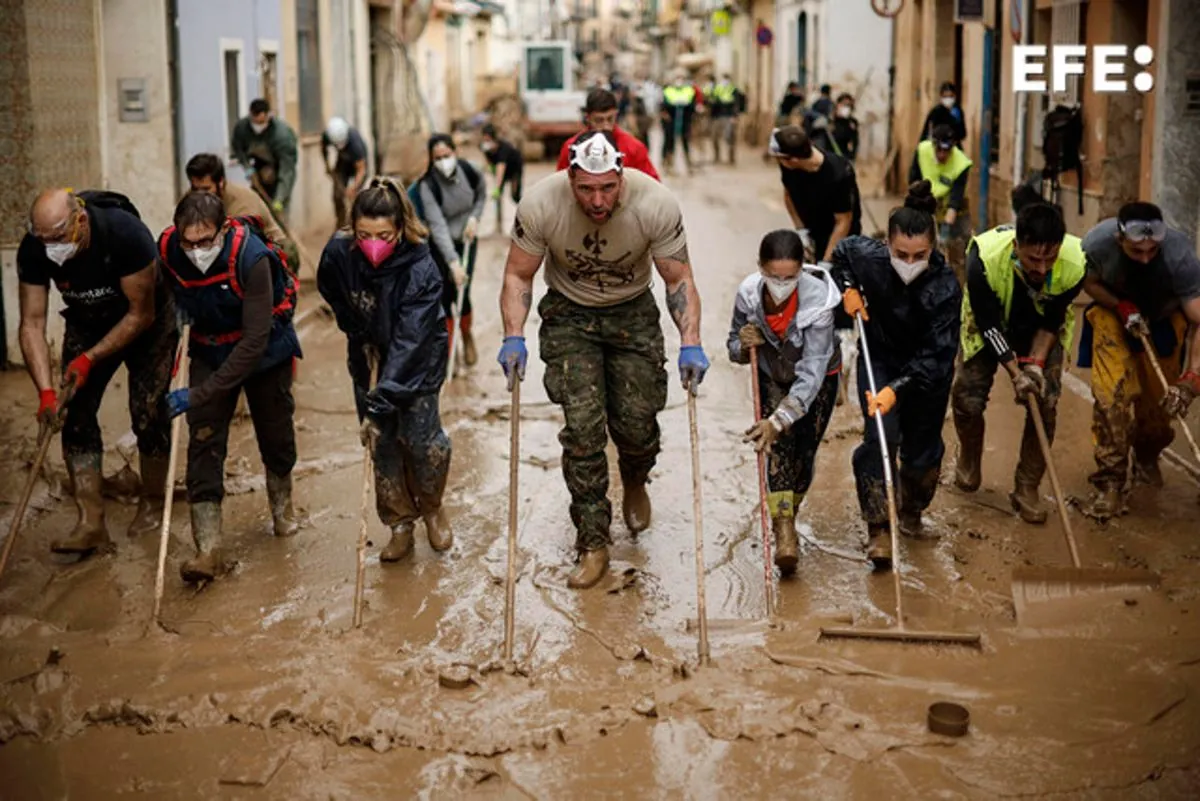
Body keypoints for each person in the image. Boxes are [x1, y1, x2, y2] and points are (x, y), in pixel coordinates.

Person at [497, 131, 710, 589]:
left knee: (636, 422)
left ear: (621, 177)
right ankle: (592, 542)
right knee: (583, 430)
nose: (597, 200)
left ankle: (635, 476)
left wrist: (690, 339)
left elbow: (678, 279)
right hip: (570, 315)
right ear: (570, 177)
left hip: (632, 311)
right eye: (586, 189)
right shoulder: (540, 204)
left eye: (608, 188)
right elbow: (518, 273)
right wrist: (513, 336)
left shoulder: (655, 204)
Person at [17, 188, 177, 556]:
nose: (51, 247)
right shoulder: (35, 247)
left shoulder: (126, 235)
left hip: (146, 322)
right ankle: (91, 523)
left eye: (58, 238)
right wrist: (45, 392)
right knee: (73, 415)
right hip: (87, 321)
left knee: (149, 412)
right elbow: (31, 323)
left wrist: (89, 358)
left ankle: (152, 504)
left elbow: (141, 314)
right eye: (44, 240)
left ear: (81, 221)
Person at [157, 192, 302, 582]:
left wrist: (200, 393)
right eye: (189, 242)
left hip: (264, 350)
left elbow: (253, 343)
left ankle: (283, 513)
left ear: (223, 230)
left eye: (205, 242)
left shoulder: (251, 258)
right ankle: (208, 549)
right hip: (208, 346)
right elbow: (167, 298)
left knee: (275, 435)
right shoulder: (169, 250)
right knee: (203, 439)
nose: (196, 250)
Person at [317, 177, 453, 562]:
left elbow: (412, 339)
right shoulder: (339, 253)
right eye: (363, 234)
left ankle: (432, 506)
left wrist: (382, 400)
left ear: (400, 229)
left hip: (419, 360)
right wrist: (358, 330)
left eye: (383, 235)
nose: (373, 243)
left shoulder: (420, 265)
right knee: (383, 444)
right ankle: (399, 523)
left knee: (423, 442)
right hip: (369, 354)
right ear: (352, 228)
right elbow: (333, 292)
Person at [830, 182, 962, 566]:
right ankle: (878, 529)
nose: (909, 262)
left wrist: (897, 390)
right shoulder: (867, 256)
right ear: (886, 244)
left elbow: (939, 357)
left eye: (919, 255)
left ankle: (911, 510)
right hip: (881, 358)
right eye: (900, 253)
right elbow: (841, 254)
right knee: (880, 442)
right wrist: (848, 288)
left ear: (933, 248)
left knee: (921, 458)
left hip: (926, 376)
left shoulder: (945, 287)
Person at [952, 203, 1086, 524]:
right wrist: (1015, 373)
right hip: (991, 321)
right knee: (967, 397)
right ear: (1016, 245)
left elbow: (1053, 321)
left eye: (1049, 259)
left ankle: (1027, 487)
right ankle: (969, 457)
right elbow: (989, 327)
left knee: (1045, 401)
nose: (1041, 268)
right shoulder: (983, 259)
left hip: (1041, 324)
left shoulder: (1076, 263)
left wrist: (1035, 368)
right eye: (1032, 259)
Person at [729, 230, 841, 574]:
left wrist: (780, 419)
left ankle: (789, 509)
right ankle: (784, 530)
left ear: (802, 270)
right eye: (774, 277)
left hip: (819, 379)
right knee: (778, 451)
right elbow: (733, 346)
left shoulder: (819, 302)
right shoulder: (749, 296)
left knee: (804, 453)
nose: (781, 284)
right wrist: (742, 345)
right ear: (760, 268)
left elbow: (812, 370)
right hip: (771, 376)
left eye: (790, 277)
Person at [1078, 203, 1200, 519]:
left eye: (1152, 250)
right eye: (1136, 251)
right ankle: (1110, 481)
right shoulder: (1096, 244)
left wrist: (1191, 379)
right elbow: (1088, 283)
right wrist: (1121, 306)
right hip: (1113, 316)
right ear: (1120, 240)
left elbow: (1199, 320)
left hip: (1163, 319)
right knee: (1112, 398)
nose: (1146, 257)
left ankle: (1146, 454)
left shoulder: (1180, 256)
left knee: (1160, 409)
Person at [415, 134, 487, 366]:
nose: (443, 161)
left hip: (467, 238)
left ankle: (466, 336)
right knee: (444, 295)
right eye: (438, 158)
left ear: (455, 153)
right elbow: (437, 225)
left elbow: (481, 195)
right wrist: (453, 262)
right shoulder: (428, 186)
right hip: (441, 244)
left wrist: (475, 218)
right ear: (431, 159)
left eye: (447, 155)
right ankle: (448, 348)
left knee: (463, 293)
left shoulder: (470, 171)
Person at [185, 153, 300, 274]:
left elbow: (243, 247)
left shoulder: (243, 203)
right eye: (195, 189)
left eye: (206, 189)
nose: (200, 195)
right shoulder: (192, 198)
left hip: (263, 249)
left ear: (221, 183)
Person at [771, 125, 863, 265]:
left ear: (794, 160)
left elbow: (843, 221)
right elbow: (789, 194)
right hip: (812, 232)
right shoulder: (789, 162)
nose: (778, 161)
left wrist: (826, 262)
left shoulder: (838, 174)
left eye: (780, 158)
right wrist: (801, 230)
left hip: (841, 238)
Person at [908, 124, 973, 282]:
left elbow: (957, 193)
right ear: (933, 145)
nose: (943, 154)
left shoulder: (961, 162)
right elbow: (913, 179)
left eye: (947, 151)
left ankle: (959, 284)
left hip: (953, 205)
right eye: (939, 150)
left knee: (959, 249)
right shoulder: (922, 151)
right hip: (927, 200)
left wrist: (950, 215)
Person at [556, 88, 660, 181]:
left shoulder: (634, 149)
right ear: (587, 118)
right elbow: (561, 188)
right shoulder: (571, 148)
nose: (606, 126)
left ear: (616, 114)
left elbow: (652, 187)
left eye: (610, 119)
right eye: (599, 120)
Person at [229, 98, 299, 221]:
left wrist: (279, 199)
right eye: (255, 122)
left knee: (279, 216)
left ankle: (281, 236)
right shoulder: (242, 128)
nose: (258, 126)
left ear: (268, 116)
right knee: (257, 209)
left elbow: (287, 170)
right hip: (257, 170)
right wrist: (248, 168)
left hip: (280, 172)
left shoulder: (282, 136)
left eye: (261, 122)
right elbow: (238, 149)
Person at [322, 116, 369, 229]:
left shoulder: (355, 145)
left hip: (358, 165)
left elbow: (361, 170)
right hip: (343, 162)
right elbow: (323, 149)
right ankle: (341, 224)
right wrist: (327, 166)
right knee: (337, 195)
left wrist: (353, 187)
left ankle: (358, 225)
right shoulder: (328, 136)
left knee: (356, 197)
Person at [481, 123, 525, 229]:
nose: (486, 143)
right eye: (484, 140)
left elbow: (501, 169)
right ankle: (498, 226)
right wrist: (491, 170)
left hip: (514, 170)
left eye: (488, 140)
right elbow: (489, 163)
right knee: (498, 196)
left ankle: (524, 219)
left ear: (494, 139)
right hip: (501, 169)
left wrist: (497, 187)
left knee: (515, 196)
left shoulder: (504, 149)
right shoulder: (486, 149)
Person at [661, 72, 698, 174]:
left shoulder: (689, 91)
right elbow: (663, 106)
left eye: (681, 79)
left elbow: (693, 106)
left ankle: (688, 165)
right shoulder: (668, 91)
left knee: (685, 143)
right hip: (671, 122)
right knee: (669, 143)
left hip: (685, 122)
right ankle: (669, 164)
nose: (679, 81)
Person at [707, 74, 743, 165]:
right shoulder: (717, 89)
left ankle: (731, 158)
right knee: (714, 137)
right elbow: (711, 100)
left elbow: (737, 104)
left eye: (726, 79)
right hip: (717, 117)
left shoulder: (733, 90)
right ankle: (717, 157)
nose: (724, 82)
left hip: (729, 117)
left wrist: (735, 116)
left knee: (729, 137)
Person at [830, 93, 859, 163]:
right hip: (830, 158)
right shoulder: (830, 121)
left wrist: (851, 158)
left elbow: (854, 143)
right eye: (844, 104)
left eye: (848, 106)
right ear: (837, 105)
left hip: (843, 158)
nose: (846, 108)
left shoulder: (852, 123)